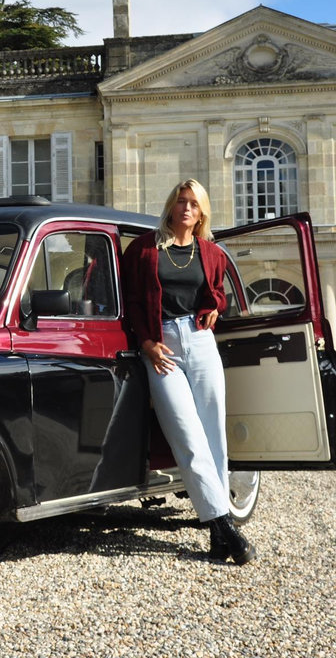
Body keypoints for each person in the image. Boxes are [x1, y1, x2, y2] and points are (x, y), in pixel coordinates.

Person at [122, 179, 256, 565]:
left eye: (193, 204)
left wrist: (215, 305)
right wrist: (145, 342)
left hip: (199, 342)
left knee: (214, 436)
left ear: (201, 213)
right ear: (171, 205)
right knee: (187, 437)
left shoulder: (211, 252)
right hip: (161, 348)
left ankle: (218, 534)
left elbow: (217, 292)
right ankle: (225, 525)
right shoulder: (144, 249)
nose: (186, 209)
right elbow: (131, 299)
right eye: (181, 201)